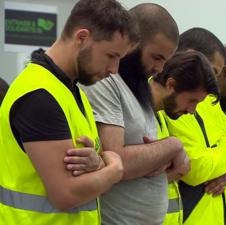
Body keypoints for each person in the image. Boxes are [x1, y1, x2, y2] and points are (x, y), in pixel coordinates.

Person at [0, 0, 138, 224]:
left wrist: (101, 162)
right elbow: (66, 194)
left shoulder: (73, 92)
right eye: (111, 56)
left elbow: (93, 165)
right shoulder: (39, 96)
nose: (114, 70)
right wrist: (114, 168)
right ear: (82, 38)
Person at [79, 3, 187, 225]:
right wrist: (173, 146)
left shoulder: (139, 86)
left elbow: (150, 158)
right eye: (156, 57)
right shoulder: (106, 81)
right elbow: (115, 161)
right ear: (132, 42)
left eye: (165, 61)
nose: (159, 68)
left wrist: (156, 156)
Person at [164, 44, 226, 225]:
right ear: (225, 72)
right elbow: (197, 167)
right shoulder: (185, 107)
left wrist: (224, 163)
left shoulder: (224, 109)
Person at [160, 27, 226, 225]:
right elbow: (196, 167)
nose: (214, 82)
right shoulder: (172, 104)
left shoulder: (205, 102)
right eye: (212, 72)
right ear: (191, 58)